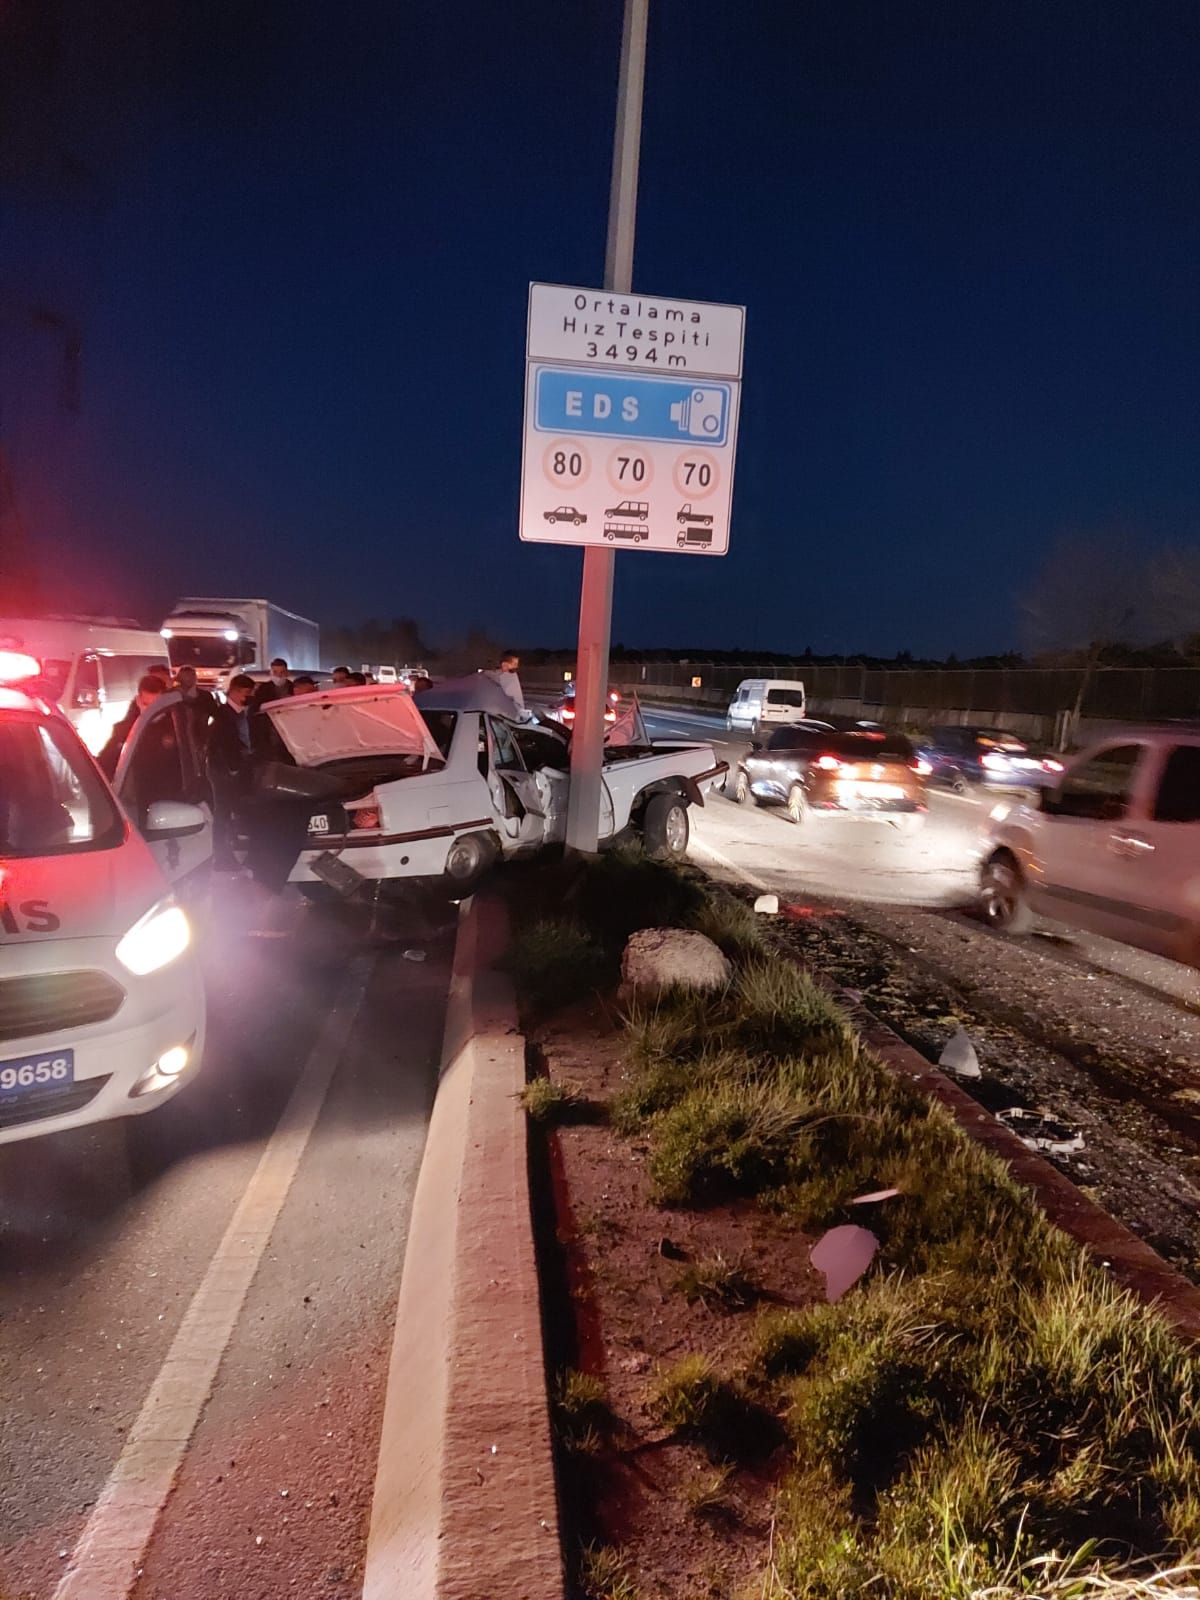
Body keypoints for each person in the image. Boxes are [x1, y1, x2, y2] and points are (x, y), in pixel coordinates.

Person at [208, 674, 256, 869]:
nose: (249, 697)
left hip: (238, 772)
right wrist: (234, 768)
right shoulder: (222, 716)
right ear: (235, 691)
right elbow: (223, 746)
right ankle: (222, 856)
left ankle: (234, 854)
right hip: (226, 774)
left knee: (235, 814)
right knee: (224, 815)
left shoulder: (242, 714)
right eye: (246, 693)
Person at [98, 674, 164, 779]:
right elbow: (105, 763)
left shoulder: (175, 726)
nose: (151, 711)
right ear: (138, 701)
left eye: (155, 706)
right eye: (146, 704)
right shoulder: (125, 731)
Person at [174, 665, 217, 736]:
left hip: (200, 735)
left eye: (192, 675)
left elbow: (216, 715)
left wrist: (209, 731)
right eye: (186, 676)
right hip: (177, 738)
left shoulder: (205, 696)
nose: (189, 678)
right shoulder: (172, 696)